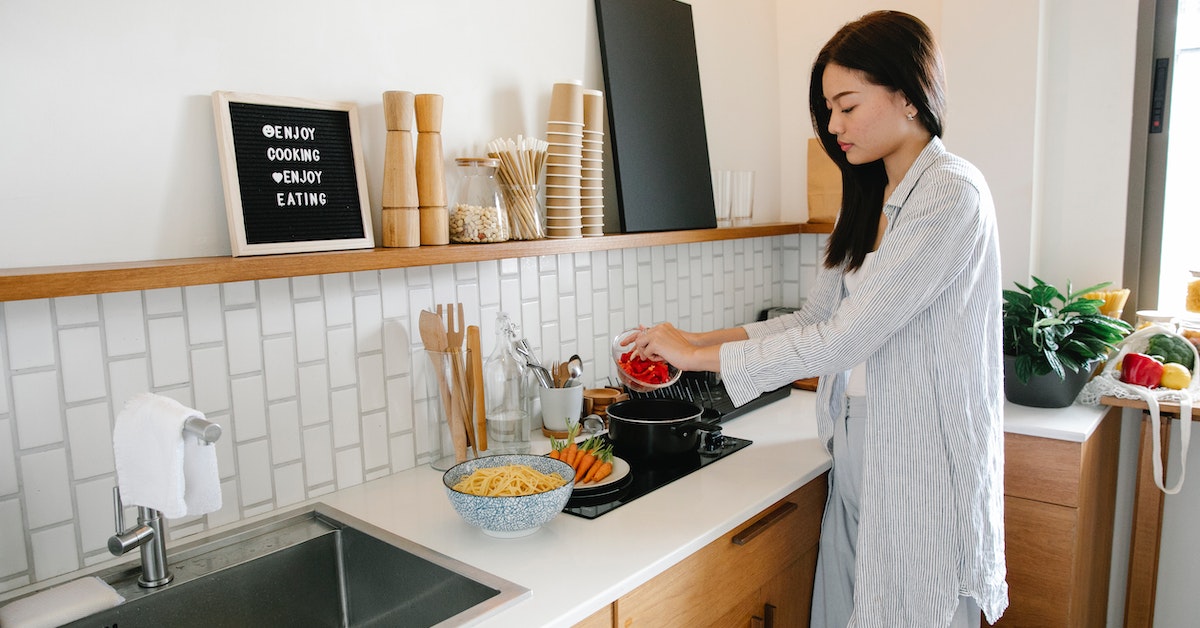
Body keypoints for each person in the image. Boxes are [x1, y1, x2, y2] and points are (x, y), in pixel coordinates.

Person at [628, 10, 1007, 628]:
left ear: (908, 95)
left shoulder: (951, 193)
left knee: (915, 604)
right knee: (849, 606)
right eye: (828, 109)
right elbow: (816, 317)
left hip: (920, 449)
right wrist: (695, 340)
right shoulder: (868, 197)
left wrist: (701, 357)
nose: (833, 126)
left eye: (846, 106)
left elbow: (844, 339)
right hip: (858, 435)